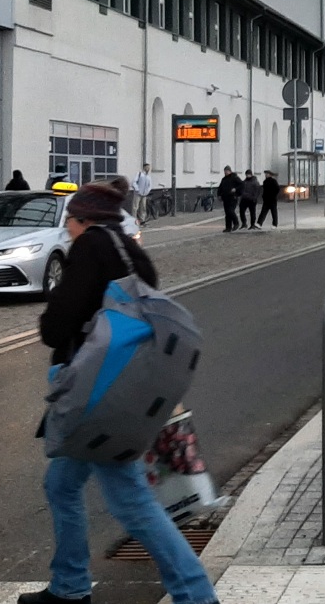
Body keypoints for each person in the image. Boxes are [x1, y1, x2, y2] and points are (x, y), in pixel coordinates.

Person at [26, 182, 219, 604]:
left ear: (82, 219)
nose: (68, 231)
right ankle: (69, 587)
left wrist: (55, 321)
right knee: (61, 485)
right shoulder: (132, 253)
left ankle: (196, 595)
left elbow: (57, 325)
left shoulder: (90, 249)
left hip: (94, 392)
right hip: (123, 388)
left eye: (70, 223)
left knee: (130, 498)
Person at [217, 166, 242, 232]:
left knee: (230, 211)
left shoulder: (234, 177)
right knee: (227, 213)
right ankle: (228, 227)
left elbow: (241, 185)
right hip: (225, 198)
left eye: (226, 171)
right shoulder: (224, 179)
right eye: (224, 171)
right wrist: (219, 195)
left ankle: (236, 223)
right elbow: (220, 187)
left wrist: (235, 189)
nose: (225, 172)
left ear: (230, 171)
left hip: (233, 197)